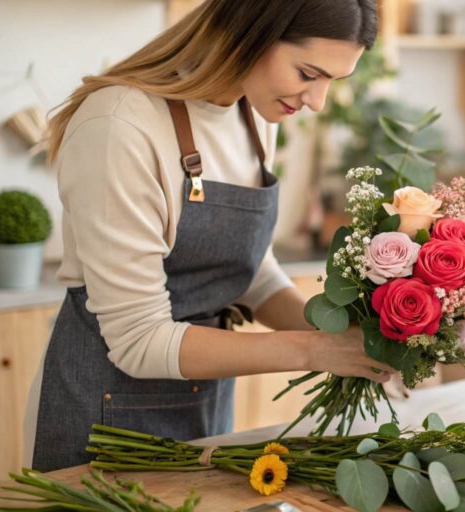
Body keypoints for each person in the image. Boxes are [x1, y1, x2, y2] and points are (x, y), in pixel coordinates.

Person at [25, 0, 394, 472]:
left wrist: (349, 338)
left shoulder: (254, 113)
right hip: (102, 419)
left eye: (331, 82)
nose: (317, 102)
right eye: (307, 73)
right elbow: (139, 339)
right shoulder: (119, 125)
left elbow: (250, 270)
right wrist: (317, 350)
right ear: (251, 32)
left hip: (205, 410)